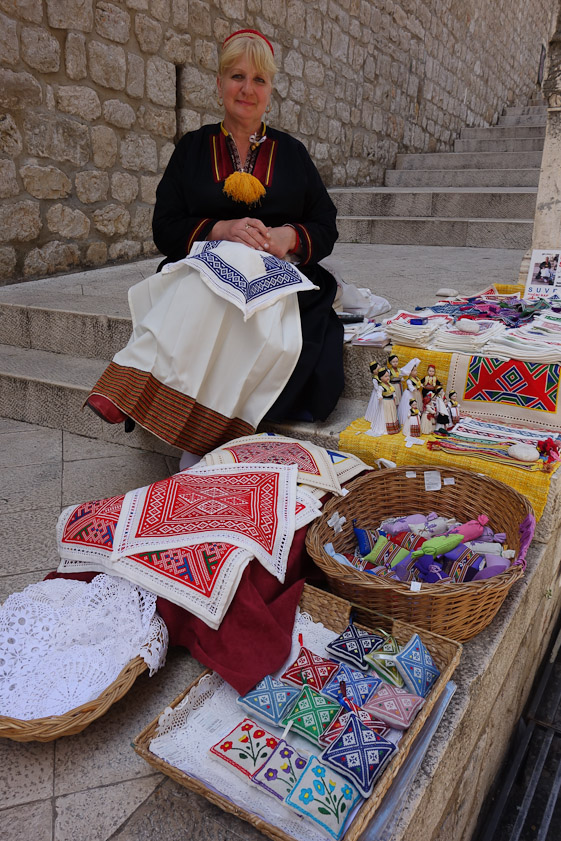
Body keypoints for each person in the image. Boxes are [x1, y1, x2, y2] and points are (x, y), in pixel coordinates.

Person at [86, 29, 344, 460]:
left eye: (259, 80)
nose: (247, 89)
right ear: (219, 82)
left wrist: (288, 237)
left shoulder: (293, 153)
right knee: (212, 282)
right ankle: (159, 401)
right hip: (206, 271)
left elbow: (325, 225)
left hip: (273, 277)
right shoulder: (192, 149)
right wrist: (219, 230)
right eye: (237, 76)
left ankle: (170, 407)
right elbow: (165, 227)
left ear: (270, 89)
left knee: (243, 306)